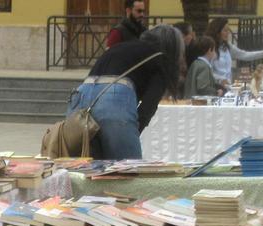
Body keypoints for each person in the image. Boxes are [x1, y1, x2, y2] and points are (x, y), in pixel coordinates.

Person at [68, 24, 184, 160]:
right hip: (114, 99)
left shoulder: (121, 47)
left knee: (83, 169)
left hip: (81, 96)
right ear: (173, 49)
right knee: (127, 169)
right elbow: (147, 107)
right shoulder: (160, 59)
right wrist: (131, 134)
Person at [206, 17, 263, 86]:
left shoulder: (227, 46)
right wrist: (220, 80)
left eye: (228, 30)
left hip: (228, 87)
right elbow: (207, 71)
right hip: (216, 88)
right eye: (225, 30)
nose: (228, 33)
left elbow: (245, 55)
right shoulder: (210, 48)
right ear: (217, 31)